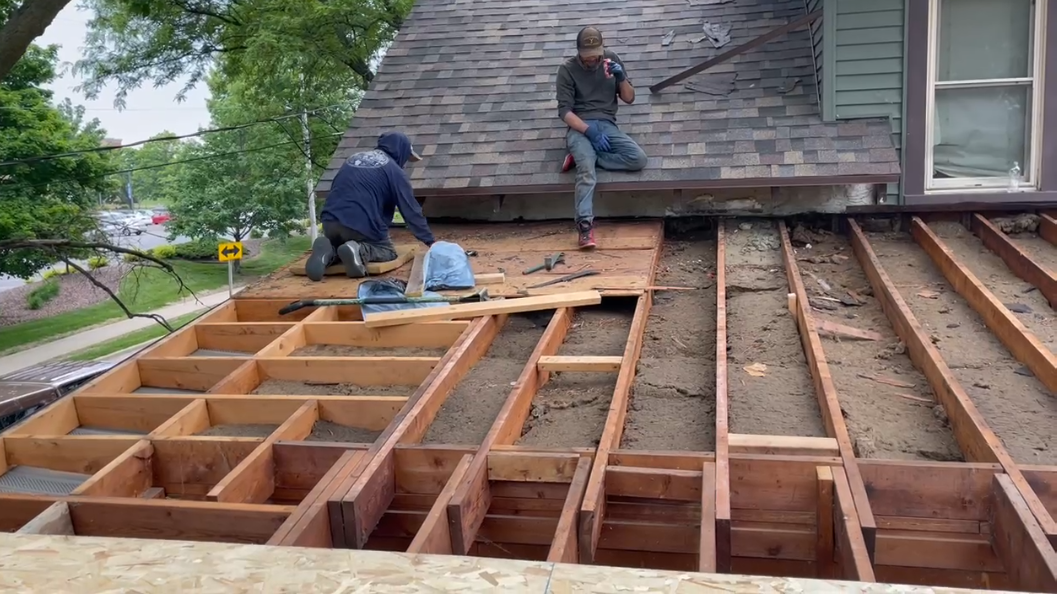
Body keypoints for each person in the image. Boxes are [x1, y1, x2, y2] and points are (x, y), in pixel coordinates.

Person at [556, 26, 648, 249]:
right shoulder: (567, 69)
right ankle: (585, 226)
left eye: (595, 54)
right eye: (587, 55)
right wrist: (589, 131)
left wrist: (621, 78)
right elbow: (565, 112)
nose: (592, 59)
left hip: (607, 124)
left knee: (638, 159)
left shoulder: (611, 59)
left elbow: (629, 98)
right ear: (579, 52)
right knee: (586, 170)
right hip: (580, 126)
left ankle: (588, 157)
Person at [306, 131, 435, 281]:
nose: (405, 163)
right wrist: (430, 241)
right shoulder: (394, 171)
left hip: (330, 222)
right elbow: (411, 210)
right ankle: (359, 251)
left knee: (342, 246)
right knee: (386, 251)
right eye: (406, 157)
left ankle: (329, 252)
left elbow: (336, 189)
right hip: (361, 225)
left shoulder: (353, 159)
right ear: (401, 151)